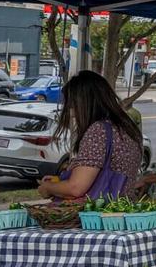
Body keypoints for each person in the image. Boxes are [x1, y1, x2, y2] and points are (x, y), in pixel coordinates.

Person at [39, 71, 143, 203]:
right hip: (122, 211)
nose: (72, 114)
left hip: (98, 217)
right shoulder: (127, 127)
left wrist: (48, 188)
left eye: (72, 106)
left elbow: (76, 188)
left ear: (84, 103)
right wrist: (60, 182)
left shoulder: (99, 131)